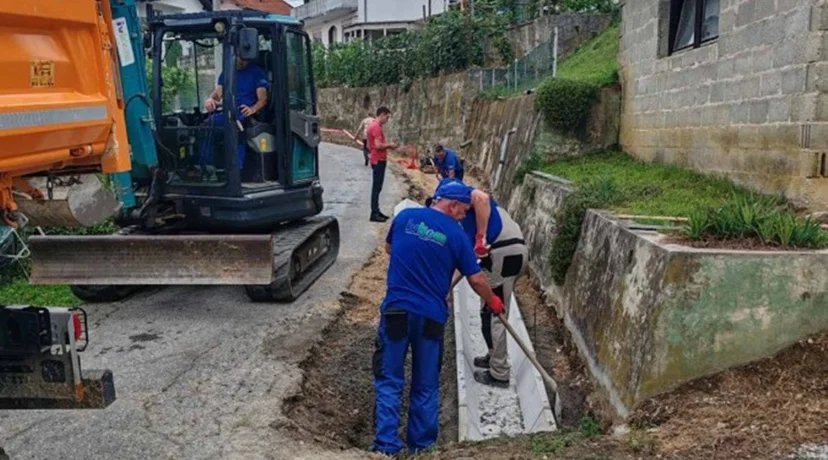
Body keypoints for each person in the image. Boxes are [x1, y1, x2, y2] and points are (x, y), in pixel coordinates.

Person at [372, 180, 505, 456]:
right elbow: (477, 279)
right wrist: (492, 300)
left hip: (396, 310)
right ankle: (421, 447)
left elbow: (389, 249)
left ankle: (386, 446)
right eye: (463, 211)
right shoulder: (456, 237)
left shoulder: (406, 217)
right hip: (431, 317)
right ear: (452, 204)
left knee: (389, 378)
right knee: (426, 382)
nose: (464, 216)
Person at [432, 178, 528, 389]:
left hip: (504, 255)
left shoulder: (472, 198)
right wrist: (445, 289)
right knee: (488, 310)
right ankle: (494, 357)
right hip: (510, 253)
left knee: (495, 314)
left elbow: (482, 196)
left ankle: (500, 373)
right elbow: (463, 265)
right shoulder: (468, 221)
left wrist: (481, 238)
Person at [198, 55, 269, 177]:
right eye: (239, 58)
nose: (241, 61)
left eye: (244, 58)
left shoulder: (257, 73)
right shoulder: (227, 73)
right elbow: (218, 94)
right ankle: (207, 167)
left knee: (235, 126)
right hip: (229, 111)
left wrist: (252, 109)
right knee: (205, 126)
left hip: (245, 112)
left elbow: (263, 99)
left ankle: (237, 170)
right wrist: (211, 100)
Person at [366, 106, 398, 222]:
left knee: (377, 187)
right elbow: (378, 145)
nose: (387, 120)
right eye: (387, 117)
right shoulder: (376, 128)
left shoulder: (373, 125)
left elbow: (371, 145)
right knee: (376, 187)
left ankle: (376, 210)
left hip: (376, 158)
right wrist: (390, 145)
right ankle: (374, 213)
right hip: (379, 160)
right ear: (382, 115)